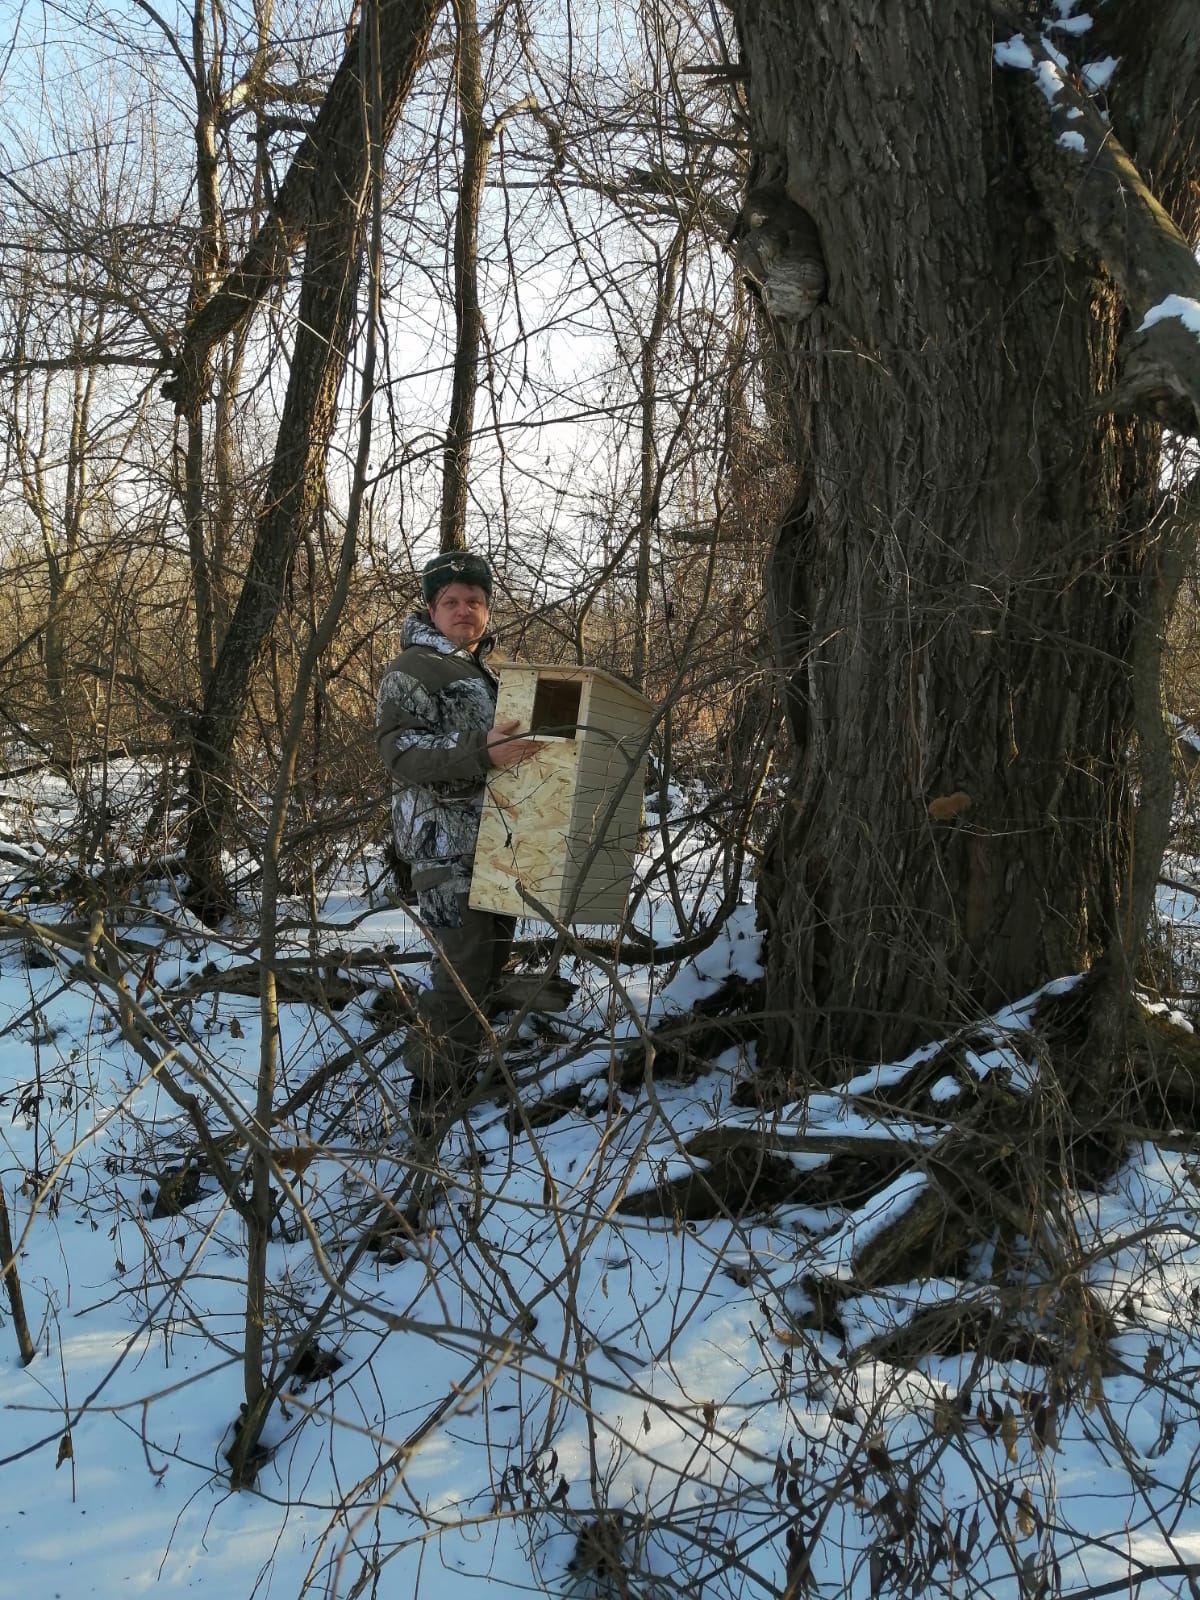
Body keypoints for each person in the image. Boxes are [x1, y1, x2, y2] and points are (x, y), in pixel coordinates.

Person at [375, 549, 541, 1138]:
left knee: (488, 964)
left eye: (475, 601)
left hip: (495, 848)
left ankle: (462, 1075)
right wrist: (480, 752)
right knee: (461, 972)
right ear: (431, 608)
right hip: (446, 851)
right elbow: (400, 753)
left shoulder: (487, 673)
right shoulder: (415, 669)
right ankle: (430, 1100)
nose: (464, 611)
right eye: (452, 601)